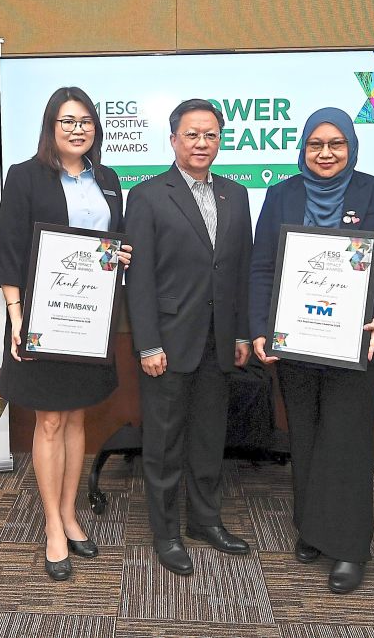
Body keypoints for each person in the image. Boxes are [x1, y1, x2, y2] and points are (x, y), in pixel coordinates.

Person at [249, 107, 374, 593]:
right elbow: (261, 268)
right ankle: (312, 529)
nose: (325, 153)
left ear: (352, 146)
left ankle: (349, 547)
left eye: (335, 143)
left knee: (346, 439)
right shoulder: (281, 195)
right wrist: (261, 327)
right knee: (306, 435)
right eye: (315, 144)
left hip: (359, 343)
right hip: (296, 344)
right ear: (302, 148)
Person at [0, 86, 132, 581]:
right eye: (68, 121)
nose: (79, 129)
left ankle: (71, 514)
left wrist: (121, 256)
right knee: (49, 422)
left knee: (76, 420)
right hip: (42, 321)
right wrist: (16, 315)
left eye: (86, 120)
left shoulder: (109, 180)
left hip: (90, 319)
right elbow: (9, 249)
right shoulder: (26, 177)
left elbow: (111, 244)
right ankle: (53, 524)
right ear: (51, 127)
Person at [124, 98, 253, 576]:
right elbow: (138, 281)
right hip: (169, 343)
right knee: (163, 443)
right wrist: (148, 344)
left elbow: (238, 270)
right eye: (193, 135)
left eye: (211, 135)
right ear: (174, 139)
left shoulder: (236, 195)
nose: (203, 143)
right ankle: (165, 533)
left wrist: (241, 332)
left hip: (220, 342)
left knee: (208, 437)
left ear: (220, 140)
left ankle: (206, 520)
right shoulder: (149, 196)